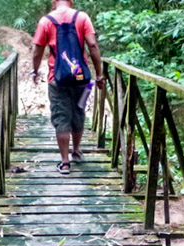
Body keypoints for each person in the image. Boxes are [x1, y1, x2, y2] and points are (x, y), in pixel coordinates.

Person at [31, 0, 106, 174]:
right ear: (71, 1)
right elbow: (93, 45)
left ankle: (65, 162)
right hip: (82, 79)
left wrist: (34, 71)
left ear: (53, 1)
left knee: (61, 117)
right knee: (79, 111)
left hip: (56, 79)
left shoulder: (46, 21)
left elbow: (37, 50)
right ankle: (77, 151)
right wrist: (99, 74)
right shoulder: (82, 17)